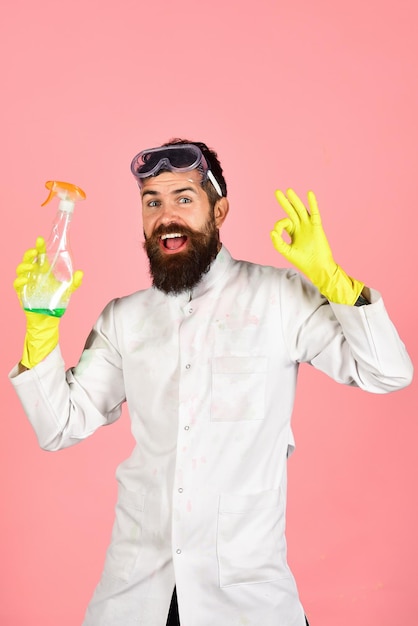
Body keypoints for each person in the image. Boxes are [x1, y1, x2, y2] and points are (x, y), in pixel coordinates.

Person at [10, 139, 413, 626]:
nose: (166, 215)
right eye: (152, 202)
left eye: (183, 198)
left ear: (219, 210)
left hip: (249, 601)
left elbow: (387, 371)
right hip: (135, 597)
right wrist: (40, 329)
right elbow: (60, 427)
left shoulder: (279, 297)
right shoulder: (125, 318)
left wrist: (331, 279)